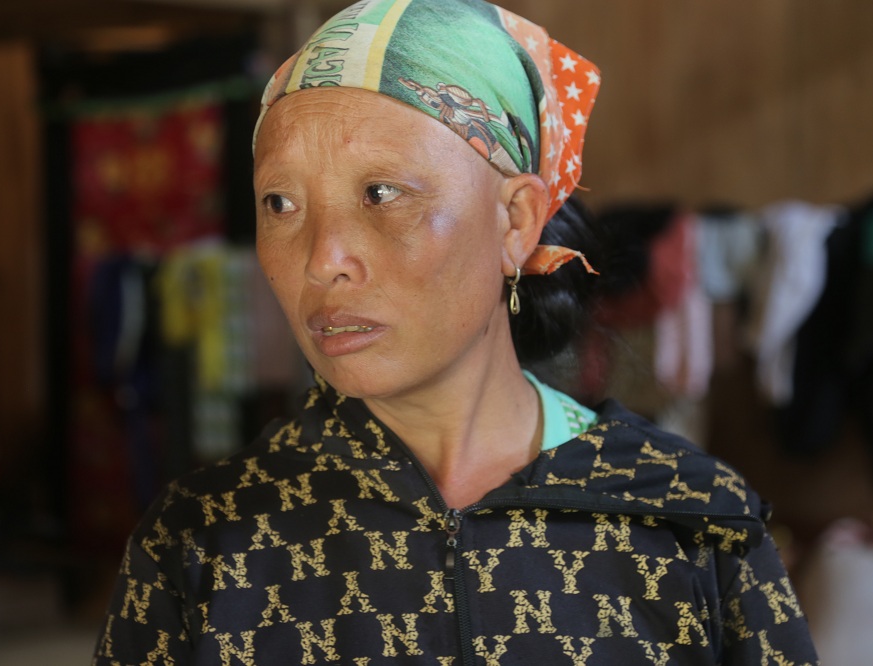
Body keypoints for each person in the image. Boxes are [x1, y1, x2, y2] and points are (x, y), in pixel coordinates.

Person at [92, 0, 819, 663]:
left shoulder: (691, 521)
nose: (322, 260)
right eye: (280, 203)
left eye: (382, 193)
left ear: (515, 221)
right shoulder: (203, 539)